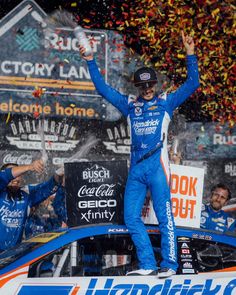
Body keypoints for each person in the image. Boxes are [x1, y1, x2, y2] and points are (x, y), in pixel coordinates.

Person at [79, 30, 200, 277]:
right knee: (130, 217)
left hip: (157, 168)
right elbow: (103, 89)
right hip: (136, 169)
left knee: (166, 218)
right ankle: (147, 264)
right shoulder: (130, 105)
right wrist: (90, 60)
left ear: (156, 84)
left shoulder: (166, 101)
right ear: (137, 86)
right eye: (142, 86)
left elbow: (193, 84)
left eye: (150, 85)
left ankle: (169, 265)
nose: (146, 89)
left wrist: (190, 54)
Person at [0, 160, 63, 251]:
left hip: (12, 256)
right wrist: (30, 167)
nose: (16, 179)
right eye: (14, 174)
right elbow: (4, 176)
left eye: (19, 175)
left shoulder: (25, 194)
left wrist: (58, 174)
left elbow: (47, 188)